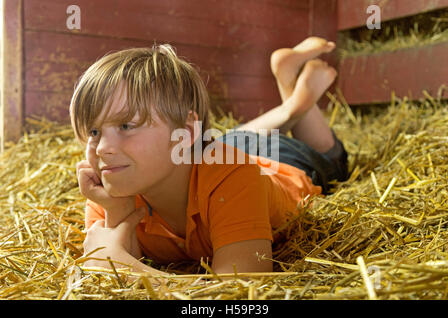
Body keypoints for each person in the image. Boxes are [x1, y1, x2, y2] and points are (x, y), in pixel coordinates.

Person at [71, 37, 349, 277]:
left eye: (126, 126)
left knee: (333, 159)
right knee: (228, 140)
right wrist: (118, 210)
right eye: (94, 131)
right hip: (205, 151)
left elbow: (237, 293)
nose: (102, 148)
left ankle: (296, 100)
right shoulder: (111, 187)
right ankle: (292, 98)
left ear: (185, 131)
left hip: (280, 161)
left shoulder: (235, 179)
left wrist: (127, 271)